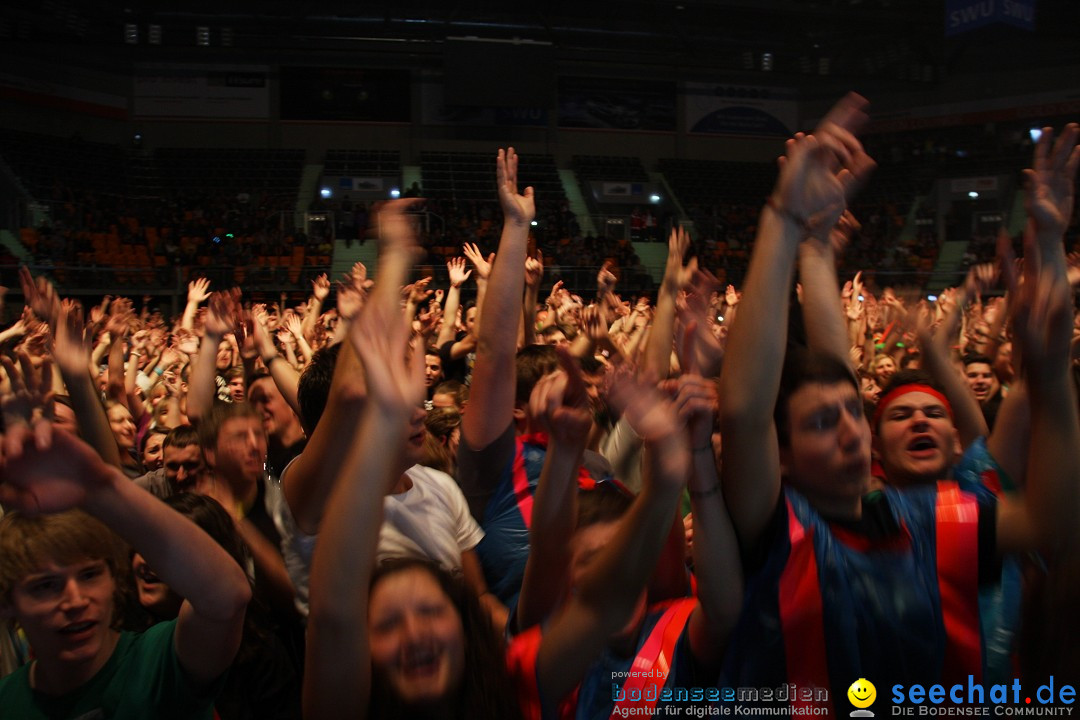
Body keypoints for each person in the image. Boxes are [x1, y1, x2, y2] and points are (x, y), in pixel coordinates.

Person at [0, 401, 250, 717]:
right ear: (8, 601)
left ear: (114, 580)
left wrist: (100, 487)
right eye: (46, 586)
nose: (75, 600)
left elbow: (227, 598)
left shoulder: (154, 662)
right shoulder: (7, 703)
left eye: (90, 575)